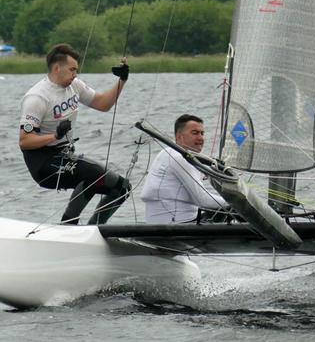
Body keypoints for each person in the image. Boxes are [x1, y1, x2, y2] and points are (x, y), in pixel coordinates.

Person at [19, 43, 131, 225]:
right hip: (43, 162)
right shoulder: (37, 98)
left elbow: (103, 104)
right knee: (94, 174)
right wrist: (54, 136)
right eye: (72, 70)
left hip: (64, 156)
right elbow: (25, 141)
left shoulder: (75, 86)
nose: (75, 74)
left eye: (76, 70)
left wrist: (121, 81)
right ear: (57, 68)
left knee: (122, 188)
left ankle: (95, 230)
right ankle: (68, 225)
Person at [140, 114, 229, 223]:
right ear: (179, 136)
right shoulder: (178, 157)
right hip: (176, 225)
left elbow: (199, 174)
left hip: (168, 221)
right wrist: (237, 204)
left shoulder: (167, 152)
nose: (200, 138)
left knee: (224, 208)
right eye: (194, 133)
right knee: (231, 209)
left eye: (202, 133)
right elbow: (203, 200)